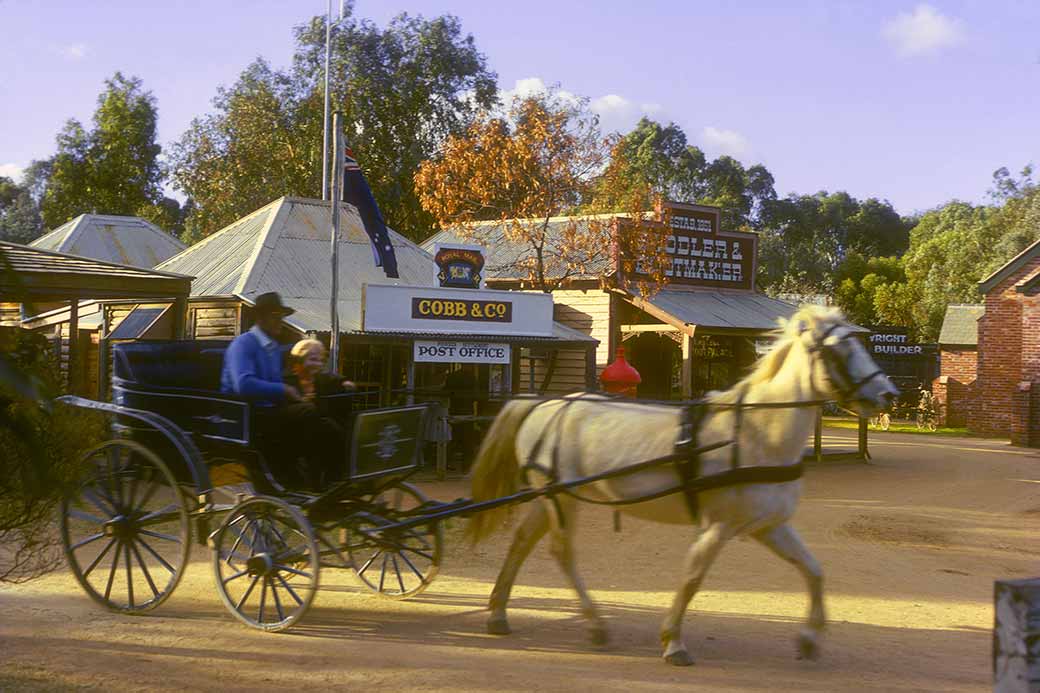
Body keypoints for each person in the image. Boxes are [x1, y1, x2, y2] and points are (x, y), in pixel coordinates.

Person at [219, 293, 341, 490]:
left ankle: (325, 478)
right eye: (276, 316)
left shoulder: (272, 348)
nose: (280, 322)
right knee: (309, 414)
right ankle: (313, 480)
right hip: (247, 415)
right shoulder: (243, 344)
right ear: (260, 318)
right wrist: (283, 389)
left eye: (282, 316)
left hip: (270, 412)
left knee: (324, 417)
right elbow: (243, 384)